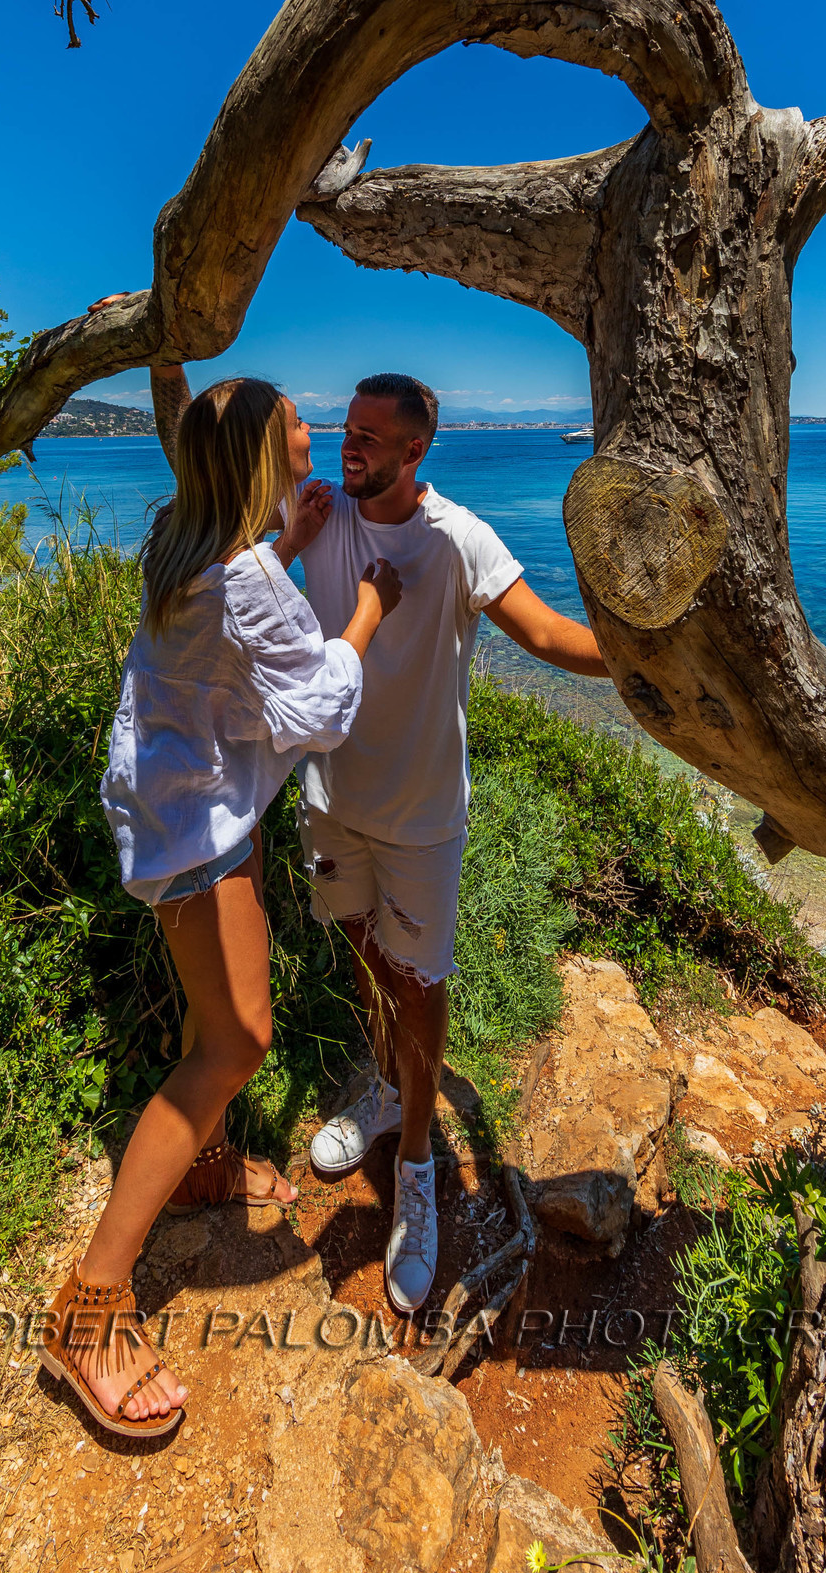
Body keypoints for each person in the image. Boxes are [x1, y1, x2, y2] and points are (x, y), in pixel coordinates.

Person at [38, 374, 401, 1440]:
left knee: (213, 1008)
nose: (313, 428)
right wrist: (371, 601)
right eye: (296, 420)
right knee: (241, 1035)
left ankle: (198, 1166)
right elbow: (321, 702)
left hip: (176, 798)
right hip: (192, 822)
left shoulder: (184, 533)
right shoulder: (242, 570)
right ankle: (93, 1304)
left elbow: (228, 623)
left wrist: (289, 543)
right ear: (259, 452)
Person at [291, 372, 610, 1316]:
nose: (350, 446)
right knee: (362, 951)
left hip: (424, 817)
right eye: (347, 428)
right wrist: (168, 357)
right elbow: (202, 448)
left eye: (371, 436)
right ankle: (388, 1090)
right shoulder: (321, 511)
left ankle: (421, 1166)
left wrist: (648, 668)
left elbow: (548, 633)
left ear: (416, 451)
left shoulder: (459, 538)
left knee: (420, 984)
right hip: (332, 797)